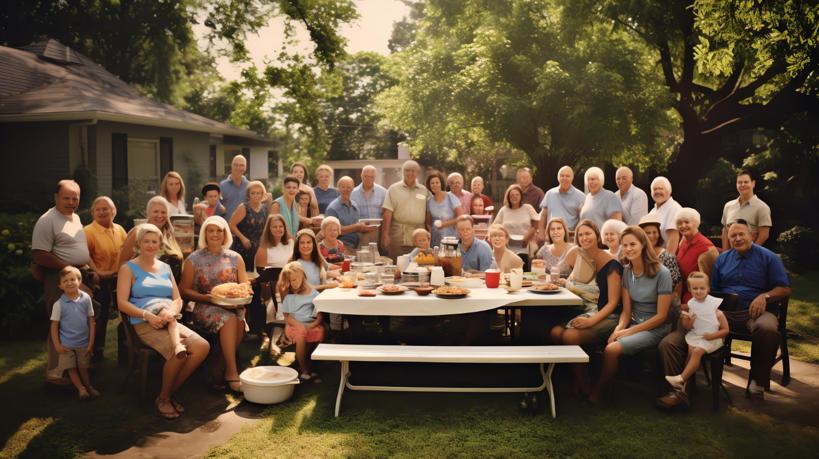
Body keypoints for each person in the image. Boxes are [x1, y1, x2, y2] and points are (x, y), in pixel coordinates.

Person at [658, 219, 790, 406]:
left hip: (756, 312)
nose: (737, 238)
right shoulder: (722, 259)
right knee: (680, 331)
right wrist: (696, 307)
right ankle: (679, 389)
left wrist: (765, 296)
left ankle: (757, 382)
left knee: (768, 329)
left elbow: (784, 289)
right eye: (732, 236)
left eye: (741, 234)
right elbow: (713, 292)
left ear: (751, 235)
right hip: (724, 312)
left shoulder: (768, 257)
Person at [118, 224, 209, 419]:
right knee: (179, 352)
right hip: (145, 322)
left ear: (160, 244)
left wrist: (171, 311)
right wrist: (147, 316)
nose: (150, 245)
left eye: (154, 241)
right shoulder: (128, 268)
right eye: (146, 241)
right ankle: (165, 398)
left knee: (202, 346)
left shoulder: (166, 268)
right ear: (138, 243)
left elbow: (177, 299)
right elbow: (122, 303)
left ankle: (166, 394)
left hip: (169, 319)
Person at [588, 226, 672, 403]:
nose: (628, 249)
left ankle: (599, 390)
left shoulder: (662, 273)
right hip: (633, 321)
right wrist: (618, 330)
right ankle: (612, 387)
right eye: (624, 245)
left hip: (655, 326)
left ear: (643, 244)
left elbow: (662, 316)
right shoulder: (626, 271)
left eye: (632, 244)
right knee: (610, 341)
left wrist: (627, 333)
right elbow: (626, 311)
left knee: (611, 349)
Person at [549, 219, 622, 396]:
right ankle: (577, 379)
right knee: (555, 333)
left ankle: (587, 387)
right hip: (581, 310)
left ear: (597, 235)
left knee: (569, 336)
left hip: (606, 314)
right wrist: (563, 281)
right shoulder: (577, 254)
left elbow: (613, 302)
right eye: (580, 234)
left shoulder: (611, 264)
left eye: (588, 233)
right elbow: (563, 273)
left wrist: (591, 322)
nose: (584, 237)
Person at [32, 180, 95, 383]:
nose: (71, 202)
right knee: (59, 323)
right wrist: (71, 274)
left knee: (76, 322)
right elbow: (40, 254)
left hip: (77, 275)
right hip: (59, 278)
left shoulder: (75, 217)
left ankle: (74, 367)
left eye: (74, 198)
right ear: (56, 198)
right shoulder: (47, 220)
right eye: (66, 197)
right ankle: (56, 373)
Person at [179, 216, 249, 392]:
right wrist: (208, 298)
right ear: (204, 233)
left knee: (239, 320)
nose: (215, 234)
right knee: (230, 320)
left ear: (225, 233)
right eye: (211, 230)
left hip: (233, 306)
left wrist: (240, 294)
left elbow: (245, 286)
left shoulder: (235, 258)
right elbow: (184, 290)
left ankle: (218, 367)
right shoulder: (193, 259)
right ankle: (232, 373)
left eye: (219, 230)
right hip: (205, 306)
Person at [664, 272, 729, 393]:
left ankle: (681, 379)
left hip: (714, 338)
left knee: (697, 352)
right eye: (695, 288)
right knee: (690, 351)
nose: (698, 291)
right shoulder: (692, 304)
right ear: (689, 289)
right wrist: (688, 320)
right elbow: (689, 327)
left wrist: (712, 336)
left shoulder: (714, 307)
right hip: (698, 335)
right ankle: (685, 385)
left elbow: (726, 330)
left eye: (702, 288)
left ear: (708, 288)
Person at [84, 196, 127, 360]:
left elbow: (126, 253)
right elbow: (85, 256)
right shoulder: (88, 231)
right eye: (98, 209)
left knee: (126, 316)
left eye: (105, 208)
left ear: (113, 211)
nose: (102, 212)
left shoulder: (120, 230)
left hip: (119, 279)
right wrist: (98, 272)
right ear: (93, 212)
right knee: (99, 317)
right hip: (98, 280)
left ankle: (125, 351)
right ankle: (96, 353)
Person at [50, 266, 99, 399]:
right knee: (71, 368)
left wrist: (90, 344)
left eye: (72, 279)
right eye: (65, 281)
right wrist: (57, 345)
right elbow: (54, 326)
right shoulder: (59, 304)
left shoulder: (86, 299)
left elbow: (91, 321)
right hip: (66, 344)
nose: (69, 282)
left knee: (83, 368)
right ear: (60, 286)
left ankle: (89, 386)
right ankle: (81, 389)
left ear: (80, 281)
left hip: (84, 343)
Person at [277, 261, 324, 381]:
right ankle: (304, 369)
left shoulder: (314, 295)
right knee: (301, 335)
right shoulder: (290, 297)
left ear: (303, 276)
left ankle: (312, 364)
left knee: (321, 331)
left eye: (296, 279)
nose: (295, 282)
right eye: (291, 280)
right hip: (294, 325)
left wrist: (312, 325)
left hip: (310, 325)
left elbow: (319, 316)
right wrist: (299, 325)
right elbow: (287, 317)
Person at [254, 213, 295, 350]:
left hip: (292, 280)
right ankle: (281, 311)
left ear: (285, 228)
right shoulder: (264, 248)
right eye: (274, 227)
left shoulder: (291, 243)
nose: (278, 229)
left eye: (280, 226)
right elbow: (261, 276)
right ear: (269, 229)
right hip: (272, 286)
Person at [119, 196, 184, 279]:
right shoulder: (138, 232)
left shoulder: (169, 233)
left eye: (163, 212)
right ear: (148, 213)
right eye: (156, 212)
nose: (160, 215)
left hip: (169, 287)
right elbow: (122, 263)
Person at [381, 160, 429, 260]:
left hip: (419, 234)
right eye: (407, 170)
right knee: (398, 263)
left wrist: (429, 232)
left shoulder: (424, 190)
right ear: (403, 172)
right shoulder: (393, 189)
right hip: (398, 233)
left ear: (417, 173)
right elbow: (387, 212)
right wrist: (385, 235)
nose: (410, 173)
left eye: (413, 171)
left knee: (420, 264)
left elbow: (429, 212)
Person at [673, 208, 718, 303]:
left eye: (686, 222)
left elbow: (709, 285)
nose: (683, 226)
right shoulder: (683, 241)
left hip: (696, 299)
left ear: (695, 223)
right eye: (679, 223)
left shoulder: (707, 248)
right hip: (680, 293)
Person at [721, 169, 772, 250]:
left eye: (746, 182)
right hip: (732, 256)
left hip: (751, 256)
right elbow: (725, 231)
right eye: (739, 182)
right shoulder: (728, 206)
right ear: (736, 184)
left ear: (753, 183)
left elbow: (764, 234)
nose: (742, 185)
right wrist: (725, 254)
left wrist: (751, 253)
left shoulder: (762, 207)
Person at [638, 215, 683, 302]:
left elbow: (677, 283)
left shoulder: (666, 257)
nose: (652, 236)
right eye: (648, 233)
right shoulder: (636, 254)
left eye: (655, 232)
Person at [326, 176, 375, 255]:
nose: (346, 189)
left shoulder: (354, 205)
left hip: (357, 246)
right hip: (341, 247)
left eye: (349, 187)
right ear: (338, 188)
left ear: (353, 188)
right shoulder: (332, 208)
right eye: (343, 187)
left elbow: (356, 226)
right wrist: (357, 226)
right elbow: (334, 231)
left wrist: (365, 227)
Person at [537, 166, 585, 240]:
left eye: (567, 176)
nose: (564, 178)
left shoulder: (580, 196)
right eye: (562, 176)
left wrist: (578, 236)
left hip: (571, 238)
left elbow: (583, 219)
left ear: (572, 178)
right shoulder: (550, 194)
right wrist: (541, 232)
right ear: (558, 177)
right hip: (551, 237)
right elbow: (543, 215)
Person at [229, 180, 269, 268]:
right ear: (248, 194)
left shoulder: (264, 209)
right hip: (242, 246)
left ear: (262, 194)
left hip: (257, 247)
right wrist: (243, 238)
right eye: (253, 193)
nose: (256, 195)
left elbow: (265, 227)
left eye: (258, 193)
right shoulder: (243, 207)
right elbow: (231, 224)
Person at [492, 184, 539, 258]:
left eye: (517, 194)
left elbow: (536, 224)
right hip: (507, 248)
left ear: (521, 196)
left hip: (526, 246)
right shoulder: (503, 210)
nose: (515, 197)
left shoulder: (528, 208)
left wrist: (527, 238)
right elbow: (495, 227)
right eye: (512, 195)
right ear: (508, 197)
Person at [351, 165, 387, 247]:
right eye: (366, 176)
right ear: (361, 176)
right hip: (359, 231)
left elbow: (386, 213)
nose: (368, 179)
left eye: (371, 177)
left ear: (375, 177)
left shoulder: (384, 192)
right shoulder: (352, 193)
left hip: (377, 232)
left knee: (377, 257)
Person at [426, 170, 464, 247]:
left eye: (437, 182)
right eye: (432, 183)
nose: (435, 185)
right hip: (435, 242)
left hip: (451, 240)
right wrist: (431, 233)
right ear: (429, 186)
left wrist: (444, 224)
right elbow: (428, 223)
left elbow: (461, 218)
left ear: (441, 184)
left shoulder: (451, 197)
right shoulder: (429, 201)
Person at [647, 176, 682, 255]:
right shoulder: (653, 210)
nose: (657, 191)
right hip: (653, 257)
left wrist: (666, 263)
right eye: (655, 189)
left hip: (665, 260)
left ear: (669, 191)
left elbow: (672, 241)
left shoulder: (673, 208)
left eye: (661, 189)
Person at [219, 155, 249, 220]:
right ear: (231, 166)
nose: (238, 168)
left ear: (245, 168)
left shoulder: (249, 186)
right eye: (236, 165)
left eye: (241, 165)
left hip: (245, 228)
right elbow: (216, 205)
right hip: (227, 226)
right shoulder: (222, 186)